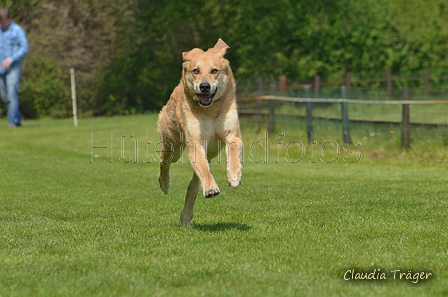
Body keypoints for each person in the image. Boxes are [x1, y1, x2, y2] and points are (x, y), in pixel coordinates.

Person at [0, 8, 28, 128]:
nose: (2, 25)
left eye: (4, 22)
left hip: (13, 68)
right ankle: (17, 117)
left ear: (9, 19)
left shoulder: (17, 30)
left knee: (12, 95)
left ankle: (12, 122)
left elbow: (24, 48)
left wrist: (11, 59)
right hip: (0, 68)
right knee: (5, 97)